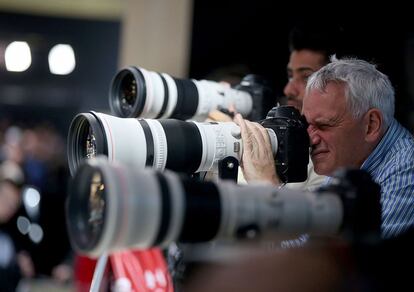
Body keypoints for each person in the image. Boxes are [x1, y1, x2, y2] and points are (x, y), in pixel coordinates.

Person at [235, 56, 414, 239]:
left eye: (323, 126)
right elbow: (303, 244)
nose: (310, 139)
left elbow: (342, 264)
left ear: (371, 125)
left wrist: (267, 189)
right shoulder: (349, 163)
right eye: (307, 125)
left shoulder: (407, 172)